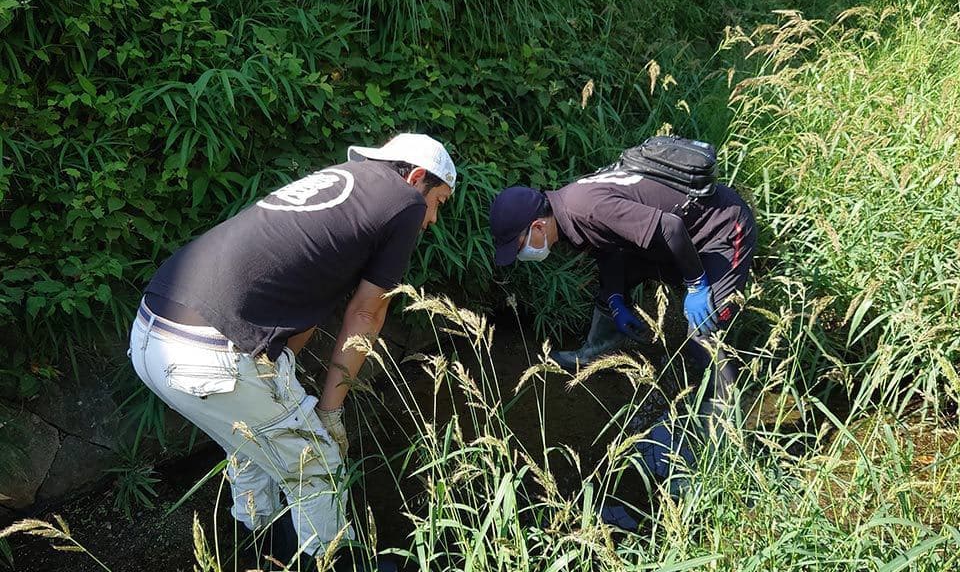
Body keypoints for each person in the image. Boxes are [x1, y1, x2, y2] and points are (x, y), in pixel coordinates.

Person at [128, 133, 456, 570]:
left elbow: (302, 303)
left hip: (155, 334)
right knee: (316, 464)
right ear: (416, 177)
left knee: (251, 444)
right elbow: (366, 315)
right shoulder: (403, 200)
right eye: (439, 200)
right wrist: (331, 413)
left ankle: (263, 548)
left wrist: (281, 375)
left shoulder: (341, 188)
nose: (431, 218)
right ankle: (337, 563)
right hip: (210, 349)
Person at [488, 149, 756, 500]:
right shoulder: (568, 211)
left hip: (718, 230)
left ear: (537, 225)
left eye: (521, 244)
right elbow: (611, 249)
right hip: (675, 238)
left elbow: (670, 227)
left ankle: (723, 435)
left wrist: (695, 284)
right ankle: (599, 350)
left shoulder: (587, 206)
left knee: (703, 332)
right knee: (616, 283)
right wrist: (615, 300)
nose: (525, 253)